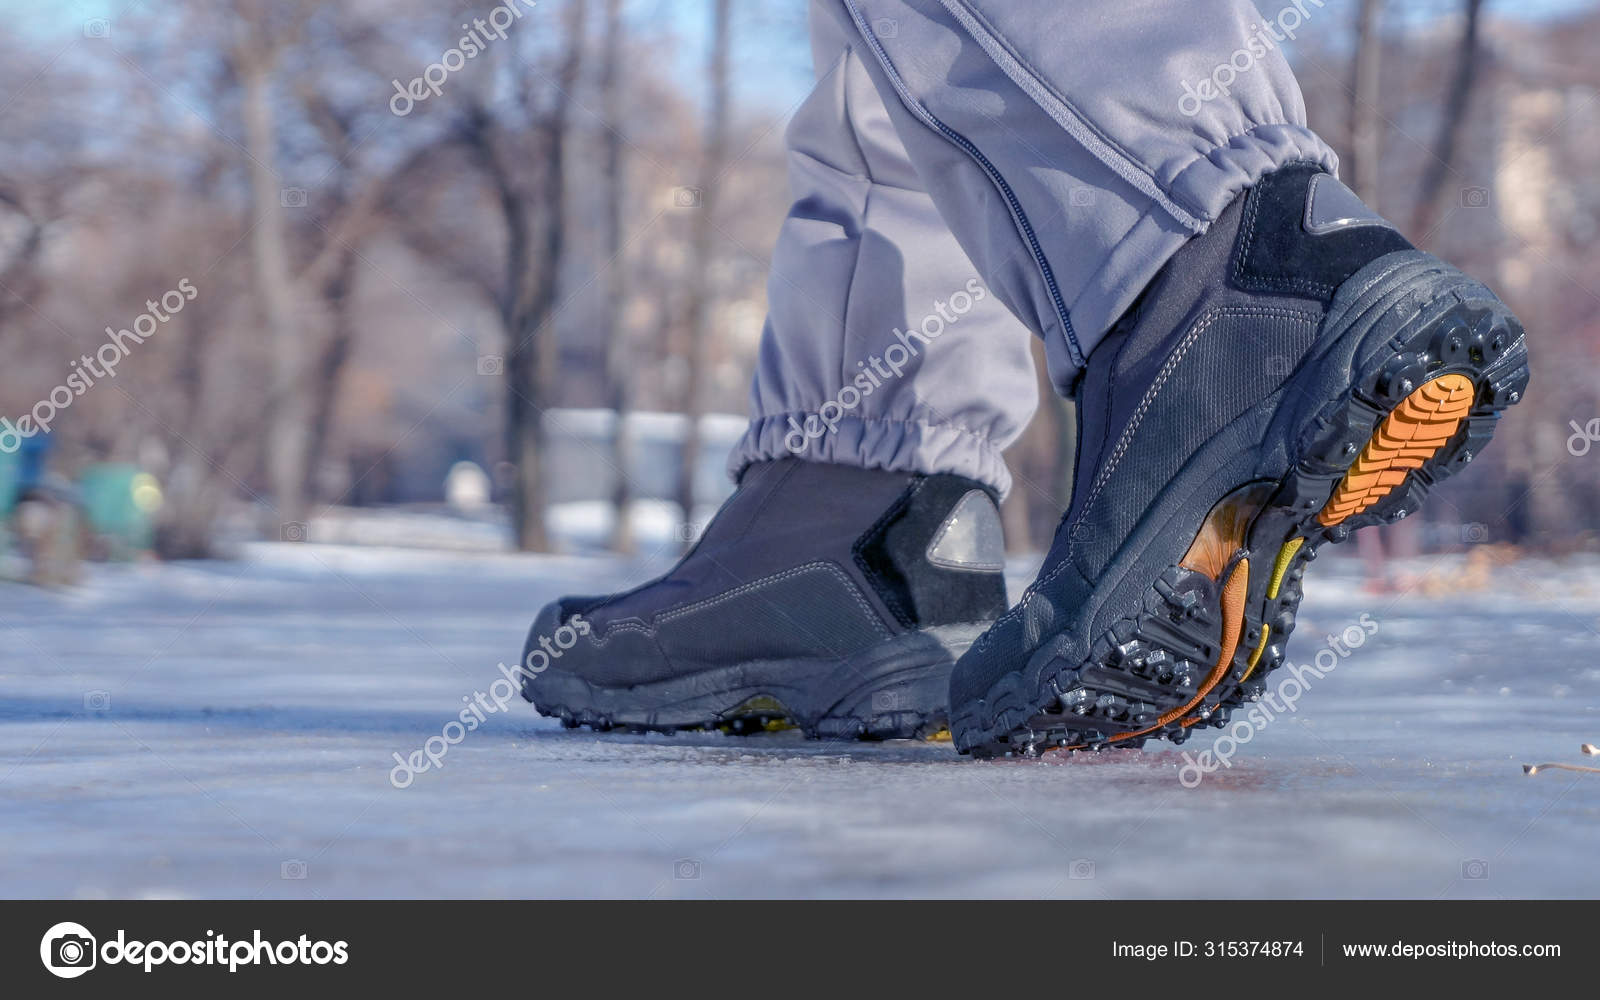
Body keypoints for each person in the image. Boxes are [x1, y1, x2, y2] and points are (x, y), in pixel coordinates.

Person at [519, 0, 1530, 756]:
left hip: (1190, 214)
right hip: (865, 449)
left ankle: (1209, 257)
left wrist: (1184, 184)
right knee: (880, 42)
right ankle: (858, 503)